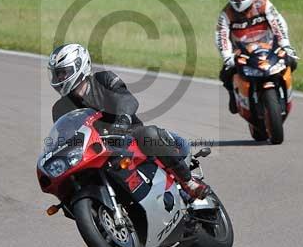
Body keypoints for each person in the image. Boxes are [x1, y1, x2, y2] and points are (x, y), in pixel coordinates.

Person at [48, 43, 210, 201]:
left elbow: (127, 99)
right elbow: (65, 136)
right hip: (95, 150)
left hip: (129, 135)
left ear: (79, 66)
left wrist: (122, 120)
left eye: (64, 72)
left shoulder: (104, 79)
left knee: (148, 134)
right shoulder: (60, 109)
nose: (60, 78)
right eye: (57, 74)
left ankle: (188, 182)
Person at [215, 0, 298, 114]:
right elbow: (221, 36)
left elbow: (278, 24)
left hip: (269, 47)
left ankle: (283, 92)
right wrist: (227, 56)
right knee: (226, 73)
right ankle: (233, 95)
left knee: (291, 61)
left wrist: (285, 45)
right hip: (242, 52)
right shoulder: (226, 13)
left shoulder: (264, 4)